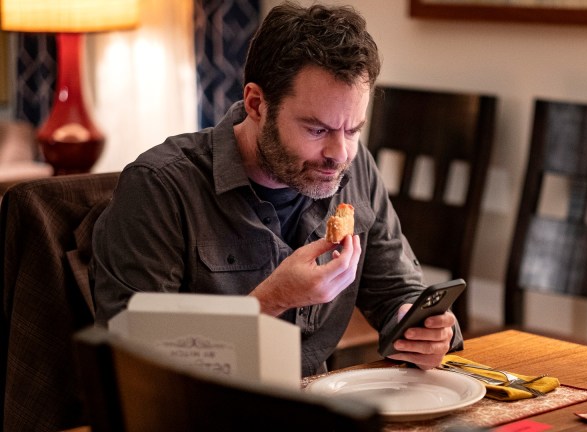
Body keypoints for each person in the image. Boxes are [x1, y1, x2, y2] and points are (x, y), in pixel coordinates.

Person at [91, 1, 463, 377]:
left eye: (353, 129)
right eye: (317, 130)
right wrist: (270, 301)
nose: (340, 153)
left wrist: (416, 324)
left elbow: (395, 290)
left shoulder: (355, 165)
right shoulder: (160, 187)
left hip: (312, 402)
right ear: (256, 104)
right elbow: (132, 362)